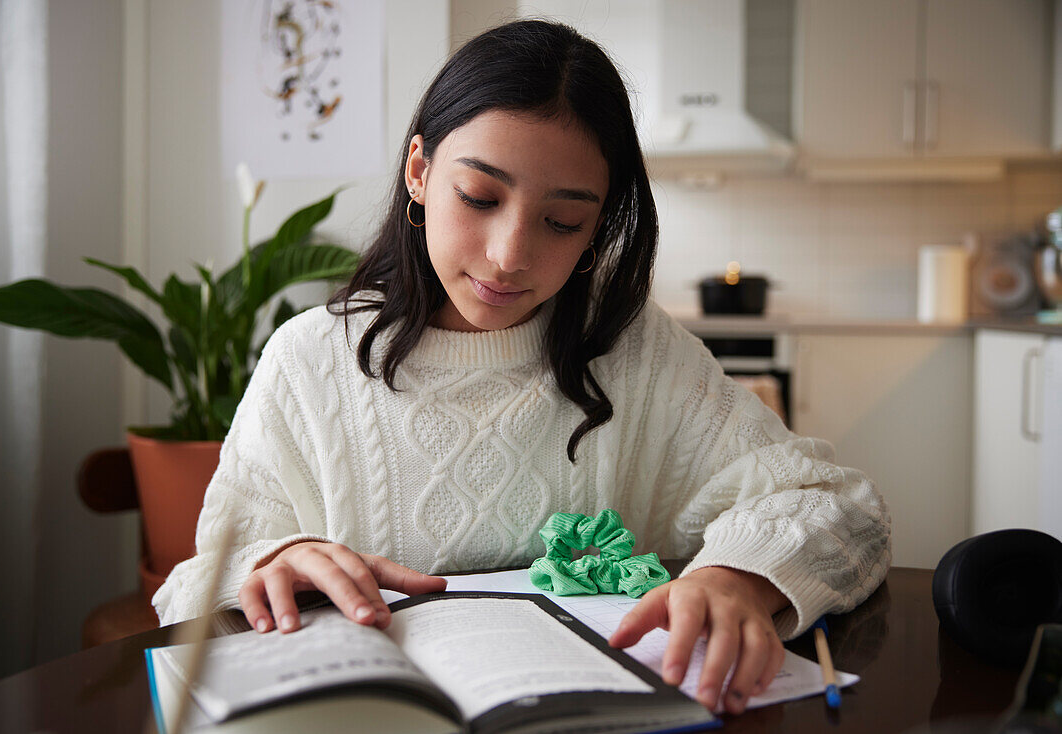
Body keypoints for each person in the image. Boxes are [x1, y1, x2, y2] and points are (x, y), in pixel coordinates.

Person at [154, 19, 890, 715]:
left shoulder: (633, 351)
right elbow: (190, 588)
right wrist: (273, 564)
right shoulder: (309, 360)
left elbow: (836, 502)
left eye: (563, 221)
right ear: (419, 170)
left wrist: (741, 577)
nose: (510, 255)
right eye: (479, 196)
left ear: (598, 226)